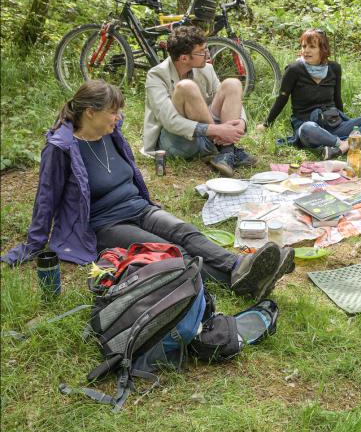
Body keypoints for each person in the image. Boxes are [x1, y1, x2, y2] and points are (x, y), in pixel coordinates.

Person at [1, 81, 293, 301]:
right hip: (106, 224)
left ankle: (242, 265)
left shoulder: (110, 134)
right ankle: (241, 284)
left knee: (185, 233)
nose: (118, 118)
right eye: (112, 112)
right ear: (90, 113)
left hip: (139, 207)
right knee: (170, 251)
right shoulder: (61, 149)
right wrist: (33, 244)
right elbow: (46, 199)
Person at [256, 28, 361, 159]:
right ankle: (345, 144)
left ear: (323, 49)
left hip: (333, 123)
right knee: (307, 128)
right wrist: (266, 124)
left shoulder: (334, 68)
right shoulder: (294, 70)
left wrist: (347, 123)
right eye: (304, 46)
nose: (306, 50)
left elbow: (337, 99)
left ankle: (341, 146)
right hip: (310, 127)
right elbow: (282, 98)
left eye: (312, 46)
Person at [142, 26, 255, 176]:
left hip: (206, 137)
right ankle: (223, 148)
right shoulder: (156, 76)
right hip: (177, 142)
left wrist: (242, 121)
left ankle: (226, 153)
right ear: (184, 58)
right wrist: (218, 130)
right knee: (186, 87)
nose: (207, 54)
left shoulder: (206, 69)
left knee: (233, 84)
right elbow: (170, 121)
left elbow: (228, 97)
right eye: (201, 51)